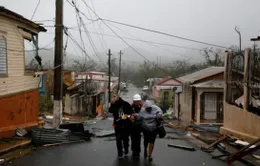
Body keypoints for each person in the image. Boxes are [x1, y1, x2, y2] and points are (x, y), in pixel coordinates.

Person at [108, 93, 133, 159]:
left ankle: (126, 149)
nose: (114, 98)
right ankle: (120, 153)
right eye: (113, 97)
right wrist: (112, 104)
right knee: (118, 139)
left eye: (115, 97)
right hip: (117, 125)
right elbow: (110, 111)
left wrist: (124, 117)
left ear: (118, 97)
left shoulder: (125, 104)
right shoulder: (114, 104)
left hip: (125, 125)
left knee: (125, 139)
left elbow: (130, 113)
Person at [130, 94, 143, 159]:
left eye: (138, 101)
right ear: (134, 101)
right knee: (133, 139)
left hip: (139, 126)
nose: (137, 102)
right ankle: (133, 150)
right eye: (136, 101)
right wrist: (131, 116)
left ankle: (137, 152)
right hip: (132, 126)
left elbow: (144, 115)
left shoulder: (142, 107)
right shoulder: (131, 107)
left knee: (138, 139)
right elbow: (126, 115)